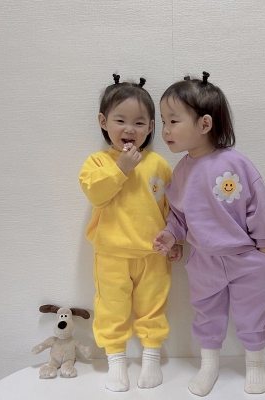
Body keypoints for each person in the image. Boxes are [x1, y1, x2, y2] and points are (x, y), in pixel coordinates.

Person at [154, 72, 265, 396]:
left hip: (246, 258)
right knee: (206, 313)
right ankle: (209, 365)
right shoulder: (181, 171)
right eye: (163, 121)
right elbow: (179, 215)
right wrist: (171, 235)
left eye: (173, 121)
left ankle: (255, 364)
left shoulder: (235, 163)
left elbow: (260, 205)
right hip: (204, 261)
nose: (165, 130)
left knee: (253, 313)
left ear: (205, 124)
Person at [79, 74, 182, 392]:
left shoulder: (159, 164)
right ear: (103, 121)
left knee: (153, 306)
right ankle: (116, 362)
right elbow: (96, 195)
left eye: (138, 123)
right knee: (112, 308)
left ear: (150, 127)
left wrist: (174, 238)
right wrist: (120, 168)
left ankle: (151, 359)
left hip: (153, 253)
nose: (129, 129)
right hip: (111, 254)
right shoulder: (98, 162)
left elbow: (171, 208)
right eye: (120, 120)